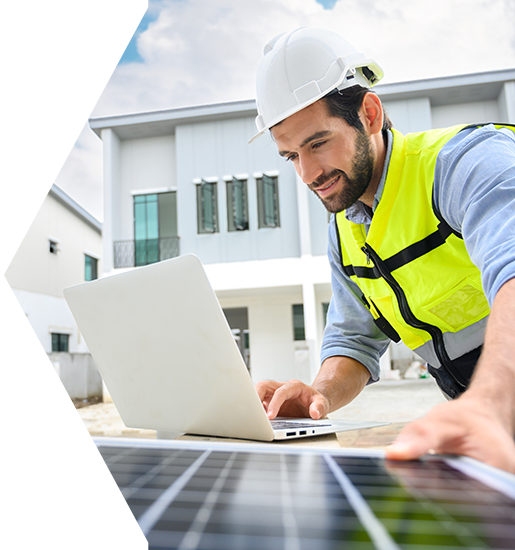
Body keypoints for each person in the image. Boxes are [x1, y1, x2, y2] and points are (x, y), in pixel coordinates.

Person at [250, 27, 515, 473]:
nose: (309, 173)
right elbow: (353, 340)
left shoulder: (466, 162)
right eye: (292, 155)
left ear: (369, 114)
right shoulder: (345, 230)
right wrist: (319, 394)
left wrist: (490, 403)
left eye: (318, 143)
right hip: (484, 424)